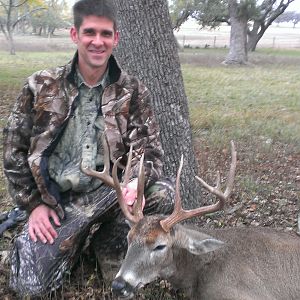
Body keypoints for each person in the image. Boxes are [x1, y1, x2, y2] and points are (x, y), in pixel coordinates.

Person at [2, 0, 174, 297]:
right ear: (74, 35)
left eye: (106, 34)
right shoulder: (41, 86)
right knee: (31, 288)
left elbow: (151, 152)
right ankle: (66, 242)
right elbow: (13, 152)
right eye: (90, 32)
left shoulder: (132, 90)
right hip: (59, 204)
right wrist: (33, 204)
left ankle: (109, 243)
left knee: (163, 194)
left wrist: (135, 181)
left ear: (115, 38)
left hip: (112, 193)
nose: (98, 41)